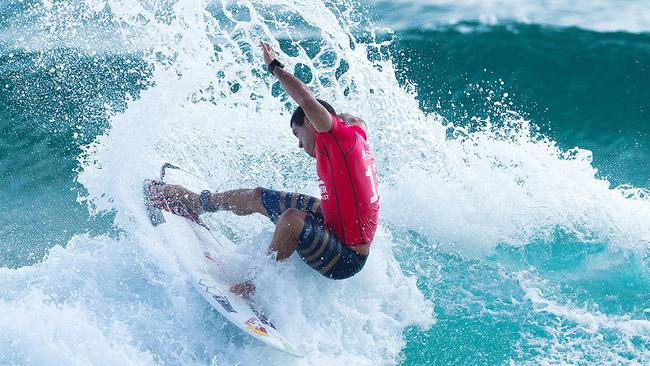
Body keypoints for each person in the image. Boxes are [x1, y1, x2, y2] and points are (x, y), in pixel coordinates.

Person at [152, 42, 380, 298]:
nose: (299, 144)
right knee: (257, 196)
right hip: (332, 222)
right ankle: (196, 202)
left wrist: (274, 66)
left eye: (298, 134)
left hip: (347, 257)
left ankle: (256, 286)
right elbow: (354, 119)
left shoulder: (337, 138)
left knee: (292, 220)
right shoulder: (354, 132)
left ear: (309, 121)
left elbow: (305, 99)